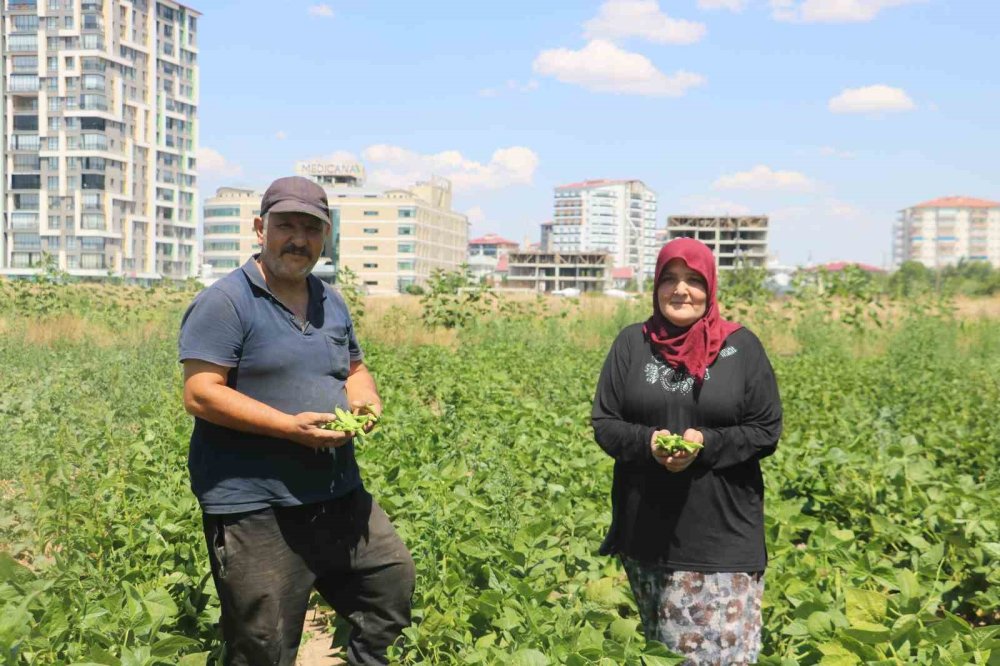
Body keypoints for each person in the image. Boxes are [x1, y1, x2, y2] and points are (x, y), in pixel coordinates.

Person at [179, 176, 415, 666]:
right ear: (259, 228)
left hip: (338, 495)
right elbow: (201, 394)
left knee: (388, 586)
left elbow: (354, 368)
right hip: (257, 507)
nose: (299, 238)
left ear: (325, 236)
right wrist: (288, 428)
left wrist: (366, 400)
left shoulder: (330, 300)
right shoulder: (226, 302)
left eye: (312, 228)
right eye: (287, 225)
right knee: (263, 646)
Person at [591, 237, 782, 665]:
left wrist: (706, 443)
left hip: (720, 538)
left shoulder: (741, 348)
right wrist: (648, 443)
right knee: (664, 652)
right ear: (656, 286)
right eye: (670, 279)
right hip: (647, 538)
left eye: (694, 280)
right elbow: (605, 423)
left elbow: (765, 429)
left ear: (710, 287)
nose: (681, 290)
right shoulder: (632, 344)